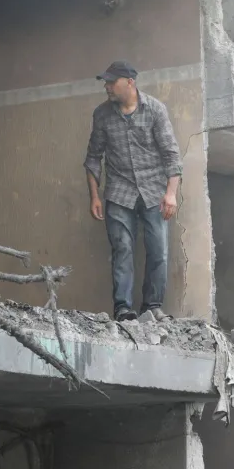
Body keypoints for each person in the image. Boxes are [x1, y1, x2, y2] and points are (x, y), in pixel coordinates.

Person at [84, 60, 183, 322]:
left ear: (130, 82)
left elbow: (171, 154)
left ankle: (152, 307)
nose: (107, 87)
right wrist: (94, 196)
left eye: (111, 82)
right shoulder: (102, 115)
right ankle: (123, 309)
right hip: (119, 192)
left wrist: (171, 193)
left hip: (153, 191)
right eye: (105, 82)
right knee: (122, 249)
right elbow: (93, 157)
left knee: (158, 250)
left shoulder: (155, 110)